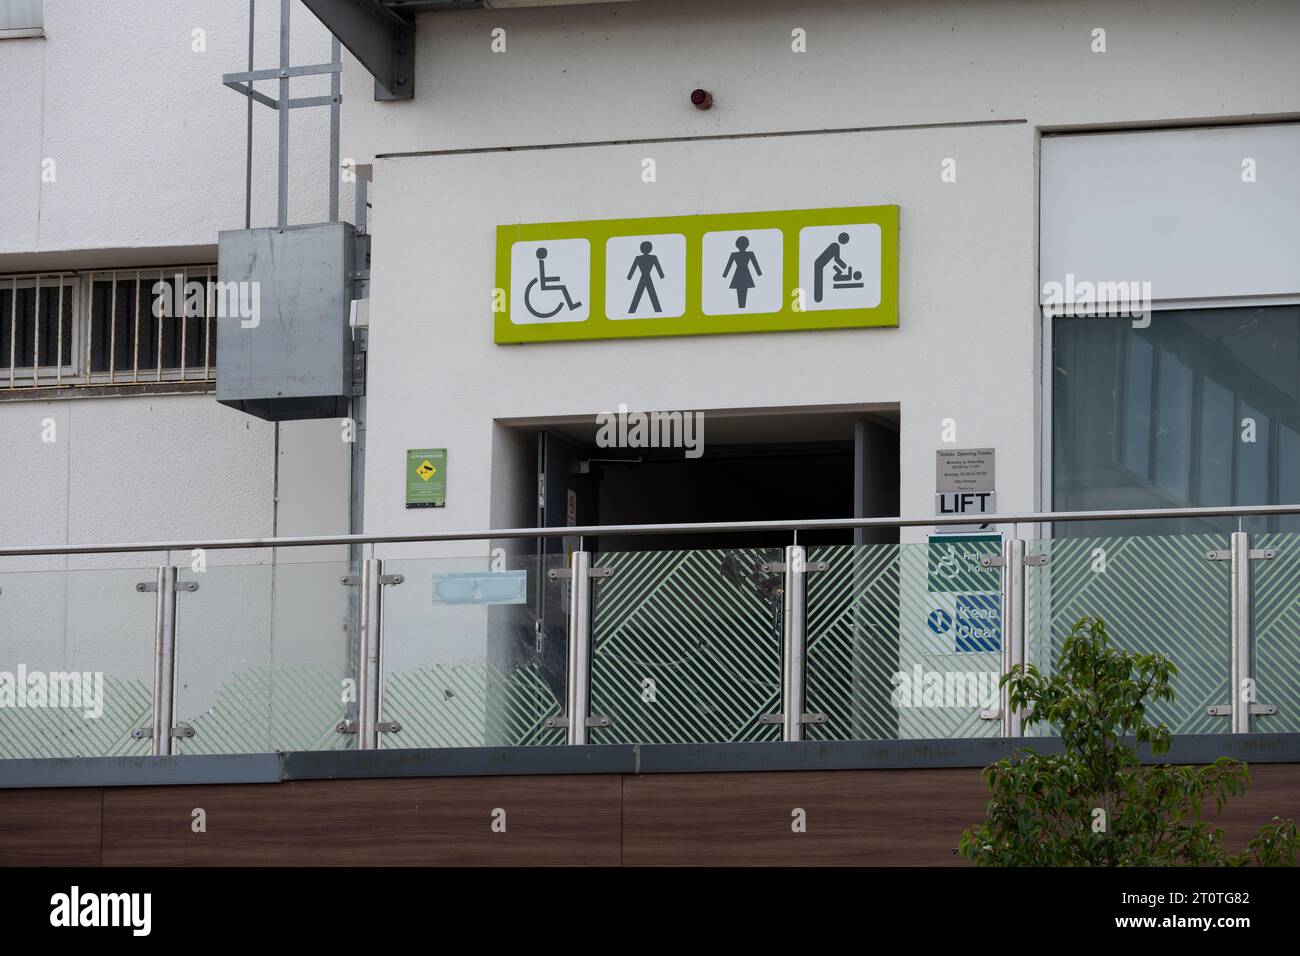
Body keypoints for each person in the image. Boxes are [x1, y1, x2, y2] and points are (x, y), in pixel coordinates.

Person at [723, 236, 762, 308]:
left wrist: (725, 275)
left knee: (742, 290)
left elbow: (755, 264)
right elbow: (729, 265)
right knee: (742, 290)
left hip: (740, 274)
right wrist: (724, 275)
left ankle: (742, 306)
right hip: (743, 274)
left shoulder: (745, 254)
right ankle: (741, 306)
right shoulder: (736, 254)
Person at [627, 240, 664, 313]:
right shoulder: (653, 257)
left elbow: (632, 269)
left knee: (639, 294)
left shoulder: (639, 258)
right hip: (646, 277)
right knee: (651, 294)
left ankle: (632, 311)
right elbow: (659, 269)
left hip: (644, 277)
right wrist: (661, 276)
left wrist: (629, 277)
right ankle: (658, 311)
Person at [813, 232, 851, 303]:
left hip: (820, 264)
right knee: (818, 280)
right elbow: (837, 259)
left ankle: (818, 298)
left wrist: (842, 266)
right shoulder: (835, 246)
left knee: (819, 279)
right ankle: (818, 298)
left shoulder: (835, 245)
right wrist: (844, 266)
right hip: (820, 265)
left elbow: (836, 259)